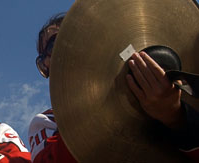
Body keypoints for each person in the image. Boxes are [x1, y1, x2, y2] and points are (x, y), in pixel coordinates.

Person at [27, 13, 199, 162]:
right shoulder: (47, 121)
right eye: (43, 61)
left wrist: (176, 116)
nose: (49, 61)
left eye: (53, 44)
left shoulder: (181, 80)